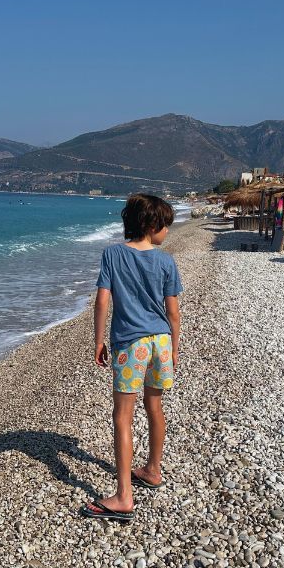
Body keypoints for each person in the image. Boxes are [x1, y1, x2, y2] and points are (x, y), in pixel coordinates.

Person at [80, 194, 182, 522]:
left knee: (123, 416)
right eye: (166, 225)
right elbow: (173, 313)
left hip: (131, 345)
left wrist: (99, 340)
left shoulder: (112, 254)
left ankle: (124, 496)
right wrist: (174, 348)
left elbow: (101, 302)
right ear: (152, 226)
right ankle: (153, 469)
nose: (167, 231)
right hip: (161, 343)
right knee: (154, 407)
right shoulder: (166, 262)